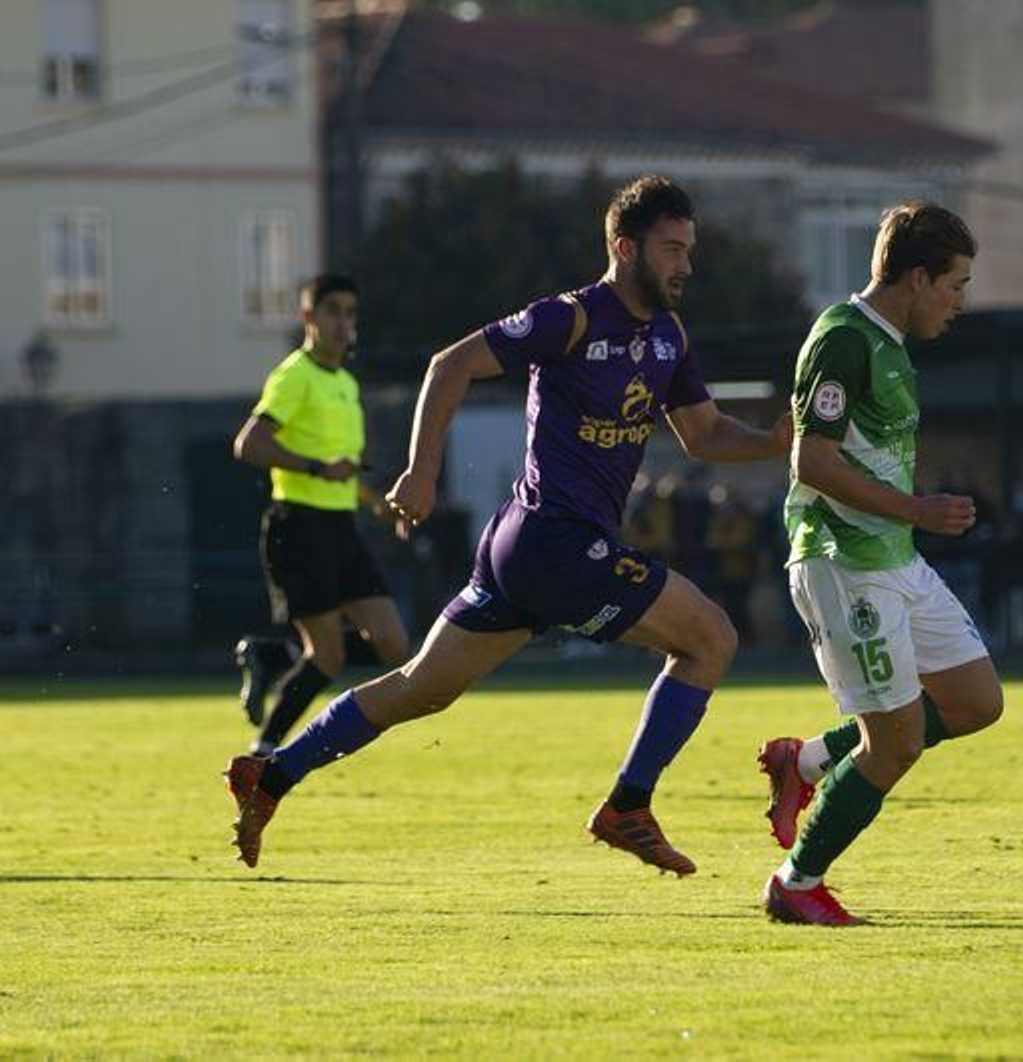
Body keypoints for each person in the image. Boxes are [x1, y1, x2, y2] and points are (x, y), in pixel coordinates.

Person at [224, 174, 791, 876]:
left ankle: (272, 774)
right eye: (672, 249)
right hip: (556, 541)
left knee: (420, 687)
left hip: (526, 551)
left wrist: (772, 442)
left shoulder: (668, 337)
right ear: (625, 248)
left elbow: (703, 435)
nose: (687, 265)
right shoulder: (571, 318)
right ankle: (628, 805)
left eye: (689, 250)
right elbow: (450, 365)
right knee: (711, 638)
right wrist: (422, 472)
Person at [755, 202, 1004, 926]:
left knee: (975, 701)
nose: (960, 302)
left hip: (895, 556)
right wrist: (918, 509)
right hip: (844, 563)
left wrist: (910, 520)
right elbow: (811, 462)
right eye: (955, 285)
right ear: (917, 278)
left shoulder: (891, 346)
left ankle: (804, 761)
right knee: (893, 745)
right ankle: (796, 884)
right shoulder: (843, 339)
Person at [231, 273, 410, 758]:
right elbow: (249, 444)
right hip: (299, 527)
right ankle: (264, 749)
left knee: (394, 645)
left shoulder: (346, 384)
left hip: (341, 529)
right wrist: (313, 466)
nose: (342, 323)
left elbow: (341, 470)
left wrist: (378, 504)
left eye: (350, 313)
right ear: (308, 316)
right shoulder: (294, 376)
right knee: (327, 657)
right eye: (332, 311)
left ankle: (273, 655)